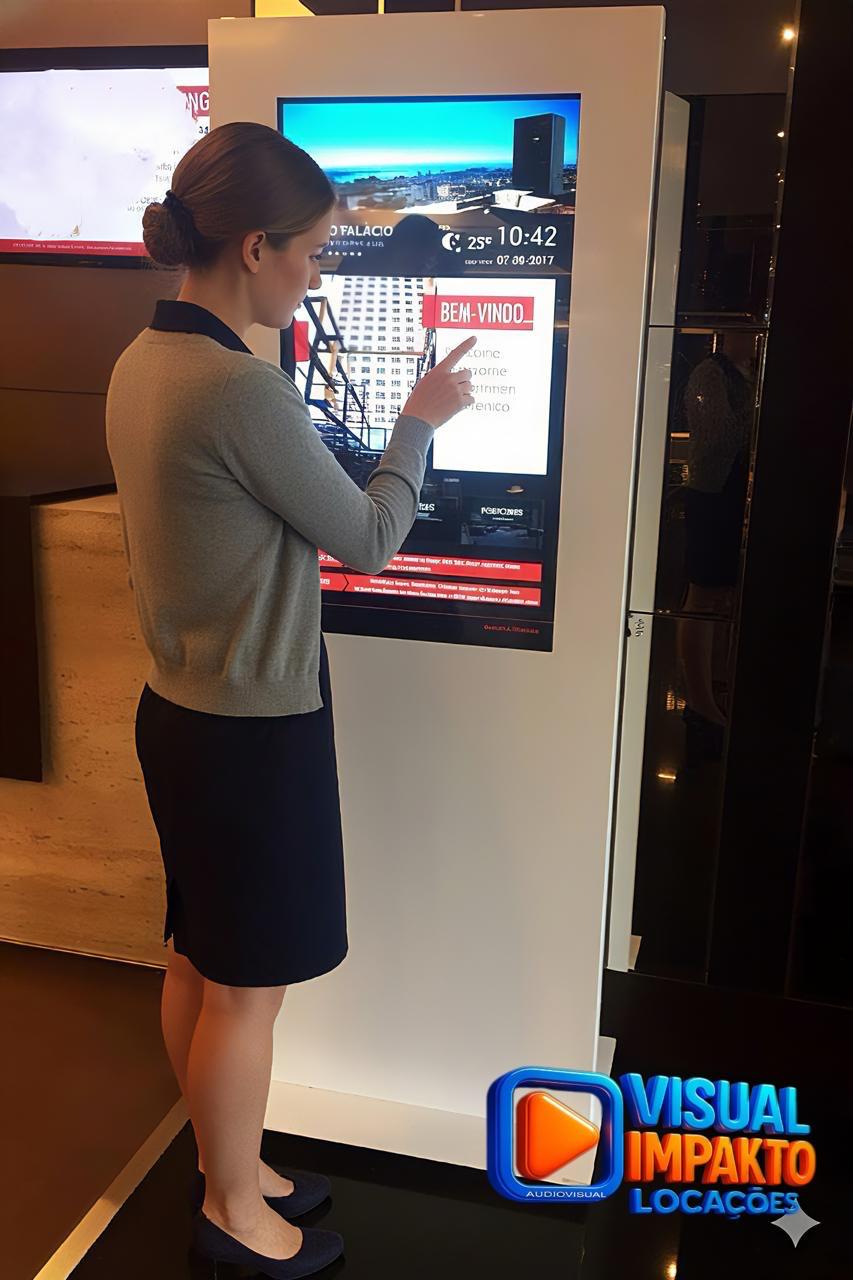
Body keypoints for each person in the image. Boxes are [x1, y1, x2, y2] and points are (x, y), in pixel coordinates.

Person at [105, 121, 476, 1280]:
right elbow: (368, 534)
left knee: (198, 960)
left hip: (179, 713)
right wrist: (418, 422)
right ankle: (231, 1208)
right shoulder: (238, 389)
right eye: (311, 253)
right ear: (254, 247)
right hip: (251, 733)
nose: (314, 276)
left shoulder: (140, 361)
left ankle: (225, 1159)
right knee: (246, 989)